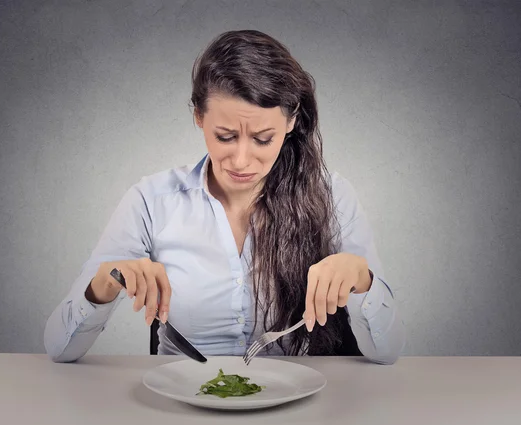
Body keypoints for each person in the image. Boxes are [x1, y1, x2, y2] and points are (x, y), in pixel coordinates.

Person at [44, 29, 405, 364]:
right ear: (199, 117)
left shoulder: (332, 196)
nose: (242, 160)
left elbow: (387, 352)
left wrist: (362, 280)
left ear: (291, 122)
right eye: (226, 136)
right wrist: (105, 282)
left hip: (295, 401)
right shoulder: (151, 201)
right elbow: (59, 348)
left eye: (263, 139)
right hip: (181, 399)